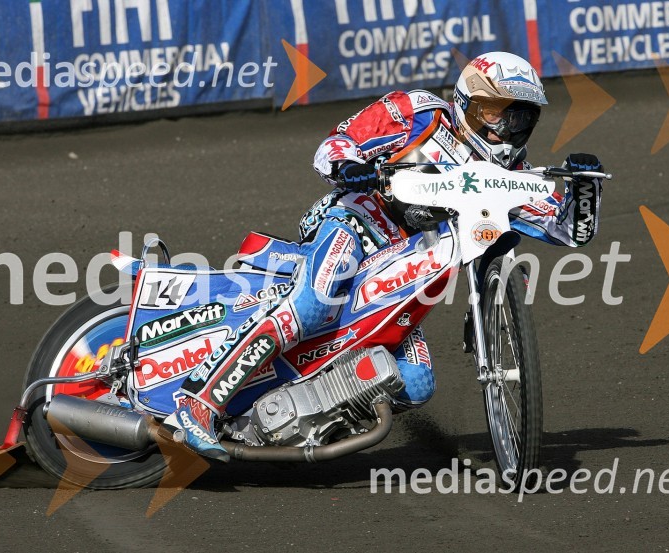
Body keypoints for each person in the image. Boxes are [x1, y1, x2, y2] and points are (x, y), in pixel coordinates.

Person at [163, 51, 604, 461]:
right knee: (314, 305)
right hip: (357, 224)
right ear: (467, 102)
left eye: (519, 118)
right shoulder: (421, 113)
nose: (503, 129)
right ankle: (196, 402)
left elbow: (570, 230)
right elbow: (335, 144)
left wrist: (586, 189)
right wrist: (351, 165)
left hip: (404, 276)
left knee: (414, 385)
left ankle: (297, 420)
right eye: (494, 112)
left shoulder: (513, 176)